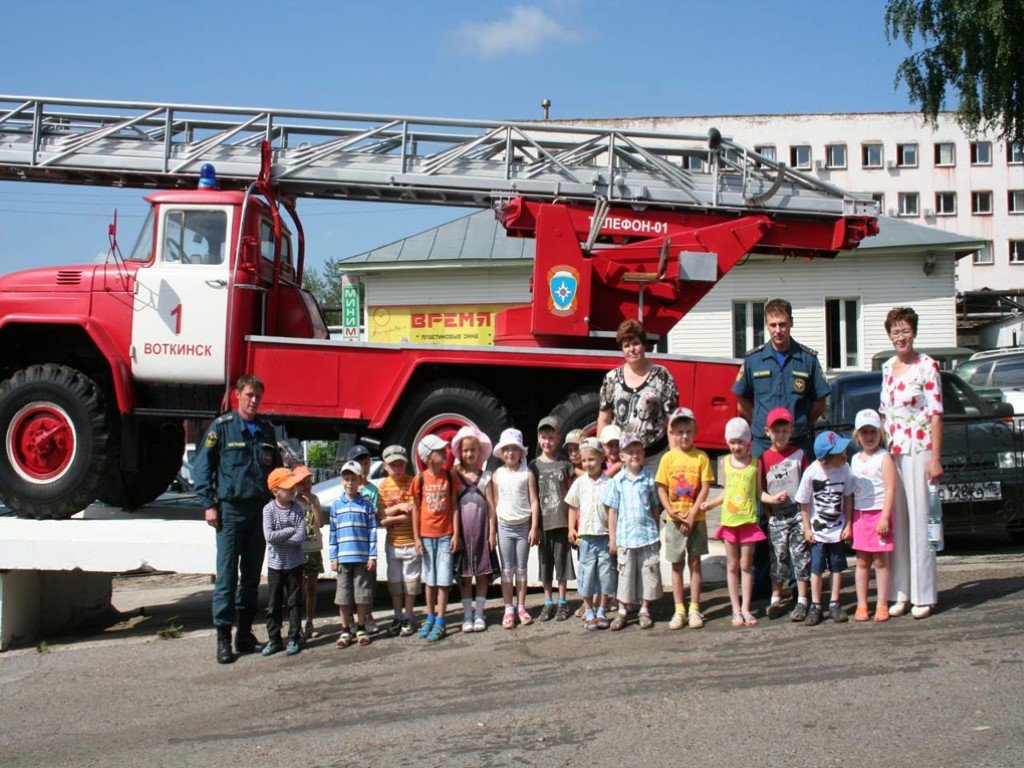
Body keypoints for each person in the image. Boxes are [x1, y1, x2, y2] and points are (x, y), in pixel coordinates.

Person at [193, 373, 283, 664]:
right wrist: (209, 504)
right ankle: (223, 639)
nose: (253, 401)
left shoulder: (267, 431)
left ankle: (244, 635)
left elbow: (276, 473)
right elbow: (202, 468)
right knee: (227, 577)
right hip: (230, 512)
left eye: (257, 396)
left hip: (258, 512)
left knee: (252, 578)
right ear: (237, 396)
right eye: (248, 395)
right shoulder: (222, 428)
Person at [879, 306, 943, 620]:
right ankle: (900, 592)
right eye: (895, 332)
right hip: (894, 451)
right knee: (898, 525)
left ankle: (925, 594)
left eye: (905, 331)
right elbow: (883, 412)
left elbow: (935, 414)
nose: (900, 337)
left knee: (921, 524)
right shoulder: (888, 367)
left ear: (913, 332)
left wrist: (936, 458)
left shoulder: (927, 366)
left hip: (920, 450)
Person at [732, 298, 830, 458]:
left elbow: (819, 402)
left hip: (797, 444)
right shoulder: (753, 359)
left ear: (791, 323)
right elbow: (741, 400)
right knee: (758, 484)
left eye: (782, 324)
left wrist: (800, 422)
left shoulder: (808, 360)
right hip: (763, 444)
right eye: (773, 325)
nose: (778, 330)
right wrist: (760, 420)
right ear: (766, 325)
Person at [702, 418, 766, 627]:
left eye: (740, 441)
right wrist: (710, 504)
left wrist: (772, 500)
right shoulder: (724, 462)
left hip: (748, 521)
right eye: (732, 442)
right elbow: (725, 491)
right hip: (729, 521)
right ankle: (735, 609)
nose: (736, 446)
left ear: (748, 441)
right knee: (732, 565)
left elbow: (759, 493)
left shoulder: (756, 462)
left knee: (746, 565)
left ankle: (746, 608)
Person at [655, 407, 713, 630]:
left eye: (688, 431)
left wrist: (693, 512)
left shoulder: (701, 457)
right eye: (679, 432)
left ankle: (695, 608)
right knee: (677, 565)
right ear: (672, 433)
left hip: (696, 519)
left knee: (695, 563)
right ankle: (679, 609)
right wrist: (670, 511)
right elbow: (661, 487)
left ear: (695, 431)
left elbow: (706, 486)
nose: (684, 436)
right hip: (674, 521)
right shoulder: (668, 459)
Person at [597, 319, 680, 469]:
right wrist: (601, 456)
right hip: (623, 460)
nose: (632, 349)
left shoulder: (662, 375)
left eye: (635, 343)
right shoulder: (611, 379)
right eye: (626, 345)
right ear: (622, 349)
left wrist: (675, 459)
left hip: (655, 458)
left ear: (644, 345)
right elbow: (604, 419)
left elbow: (673, 421)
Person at [603, 431, 662, 631]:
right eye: (630, 453)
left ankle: (644, 609)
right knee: (625, 574)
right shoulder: (617, 481)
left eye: (638, 452)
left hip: (647, 536)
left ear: (643, 454)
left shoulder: (649, 478)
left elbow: (655, 506)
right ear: (622, 456)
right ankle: (622, 610)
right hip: (625, 538)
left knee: (648, 573)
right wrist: (613, 538)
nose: (634, 456)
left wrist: (655, 528)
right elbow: (612, 511)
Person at [795, 431, 855, 626]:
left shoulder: (845, 469)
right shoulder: (812, 472)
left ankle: (835, 602)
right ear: (827, 459)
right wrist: (807, 528)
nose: (845, 455)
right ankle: (816, 605)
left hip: (837, 530)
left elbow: (847, 497)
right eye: (840, 453)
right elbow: (804, 503)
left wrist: (848, 523)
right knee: (817, 569)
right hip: (818, 532)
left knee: (837, 567)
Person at [758, 407, 811, 621]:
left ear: (791, 430)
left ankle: (803, 600)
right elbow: (758, 490)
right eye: (775, 430)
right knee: (778, 557)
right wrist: (770, 503)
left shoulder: (799, 455)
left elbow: (808, 483)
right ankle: (776, 598)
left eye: (784, 430)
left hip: (798, 514)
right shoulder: (763, 458)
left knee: (800, 556)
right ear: (767, 432)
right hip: (777, 517)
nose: (780, 435)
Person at [489, 427, 540, 628]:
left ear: (521, 452)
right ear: (502, 452)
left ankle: (521, 605)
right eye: (507, 449)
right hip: (504, 527)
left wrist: (534, 527)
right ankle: (508, 607)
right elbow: (493, 504)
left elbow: (534, 501)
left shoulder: (527, 473)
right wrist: (493, 531)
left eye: (515, 449)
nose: (511, 453)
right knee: (506, 570)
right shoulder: (496, 475)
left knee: (521, 569)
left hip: (523, 527)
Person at [412, 434, 460, 642]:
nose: (445, 454)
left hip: (445, 536)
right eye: (440, 452)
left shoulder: (450, 477)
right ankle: (430, 616)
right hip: (426, 536)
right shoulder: (419, 479)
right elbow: (415, 509)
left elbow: (455, 506)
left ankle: (441, 619)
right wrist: (416, 538)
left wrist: (456, 533)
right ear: (428, 457)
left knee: (443, 580)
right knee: (430, 580)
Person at [850, 409, 896, 622]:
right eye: (864, 432)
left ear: (880, 433)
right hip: (860, 516)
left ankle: (882, 603)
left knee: (880, 561)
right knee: (861, 561)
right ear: (857, 435)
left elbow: (890, 489)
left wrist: (885, 517)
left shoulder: (884, 457)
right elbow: (850, 492)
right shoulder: (854, 459)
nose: (869, 437)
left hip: (879, 514)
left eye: (872, 432)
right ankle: (861, 605)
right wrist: (849, 521)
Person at [530, 416, 576, 622]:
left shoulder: (564, 463)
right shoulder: (534, 466)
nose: (547, 441)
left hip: (562, 521)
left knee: (562, 563)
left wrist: (572, 524)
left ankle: (563, 601)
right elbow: (533, 498)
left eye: (550, 437)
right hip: (544, 524)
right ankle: (548, 602)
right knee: (545, 564)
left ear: (558, 439)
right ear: (538, 438)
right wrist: (535, 526)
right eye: (543, 437)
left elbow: (573, 488)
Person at [566, 437, 615, 630]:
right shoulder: (580, 483)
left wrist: (613, 536)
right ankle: (588, 609)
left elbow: (613, 510)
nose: (587, 464)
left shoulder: (609, 483)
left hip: (603, 536)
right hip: (586, 537)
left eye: (592, 460)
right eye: (584, 460)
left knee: (605, 574)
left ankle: (602, 609)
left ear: (602, 458)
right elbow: (572, 506)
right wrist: (571, 528)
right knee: (586, 575)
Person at [328, 460, 378, 648]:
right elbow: (333, 533)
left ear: (360, 480)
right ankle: (345, 630)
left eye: (353, 479)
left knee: (362, 595)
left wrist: (372, 556)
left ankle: (361, 627)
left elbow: (372, 531)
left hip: (362, 558)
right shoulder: (336, 506)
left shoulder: (366, 504)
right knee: (343, 595)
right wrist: (333, 557)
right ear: (342, 481)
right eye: (346, 479)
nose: (350, 482)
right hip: (343, 558)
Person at [451, 426, 495, 633]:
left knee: (483, 574)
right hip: (463, 535)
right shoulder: (455, 476)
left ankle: (479, 614)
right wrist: (455, 534)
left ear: (480, 452)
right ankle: (467, 615)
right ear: (460, 452)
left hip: (481, 533)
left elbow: (492, 508)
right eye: (465, 450)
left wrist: (492, 533)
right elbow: (452, 507)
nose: (469, 454)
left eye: (473, 450)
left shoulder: (486, 477)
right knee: (465, 575)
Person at [261, 467, 307, 657]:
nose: (292, 491)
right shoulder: (268, 509)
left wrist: (287, 537)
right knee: (274, 603)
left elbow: (302, 535)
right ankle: (274, 640)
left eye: (293, 486)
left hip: (295, 563)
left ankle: (294, 637)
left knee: (294, 602)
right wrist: (290, 530)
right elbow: (270, 536)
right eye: (287, 488)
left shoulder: (297, 507)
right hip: (275, 565)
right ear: (275, 491)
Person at [377, 444, 420, 637]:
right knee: (395, 582)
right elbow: (381, 514)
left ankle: (409, 615)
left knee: (410, 583)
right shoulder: (383, 486)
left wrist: (390, 518)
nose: (397, 468)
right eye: (392, 465)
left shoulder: (412, 482)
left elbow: (413, 514)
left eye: (400, 464)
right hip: (393, 543)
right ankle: (397, 615)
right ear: (385, 466)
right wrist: (398, 508)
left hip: (410, 541)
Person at [291, 465, 325, 641]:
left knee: (311, 587)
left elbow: (320, 523)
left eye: (309, 482)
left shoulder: (315, 499)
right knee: (299, 588)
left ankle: (310, 620)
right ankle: (296, 622)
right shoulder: (292, 502)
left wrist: (312, 504)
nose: (307, 487)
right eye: (302, 483)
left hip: (313, 549)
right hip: (298, 550)